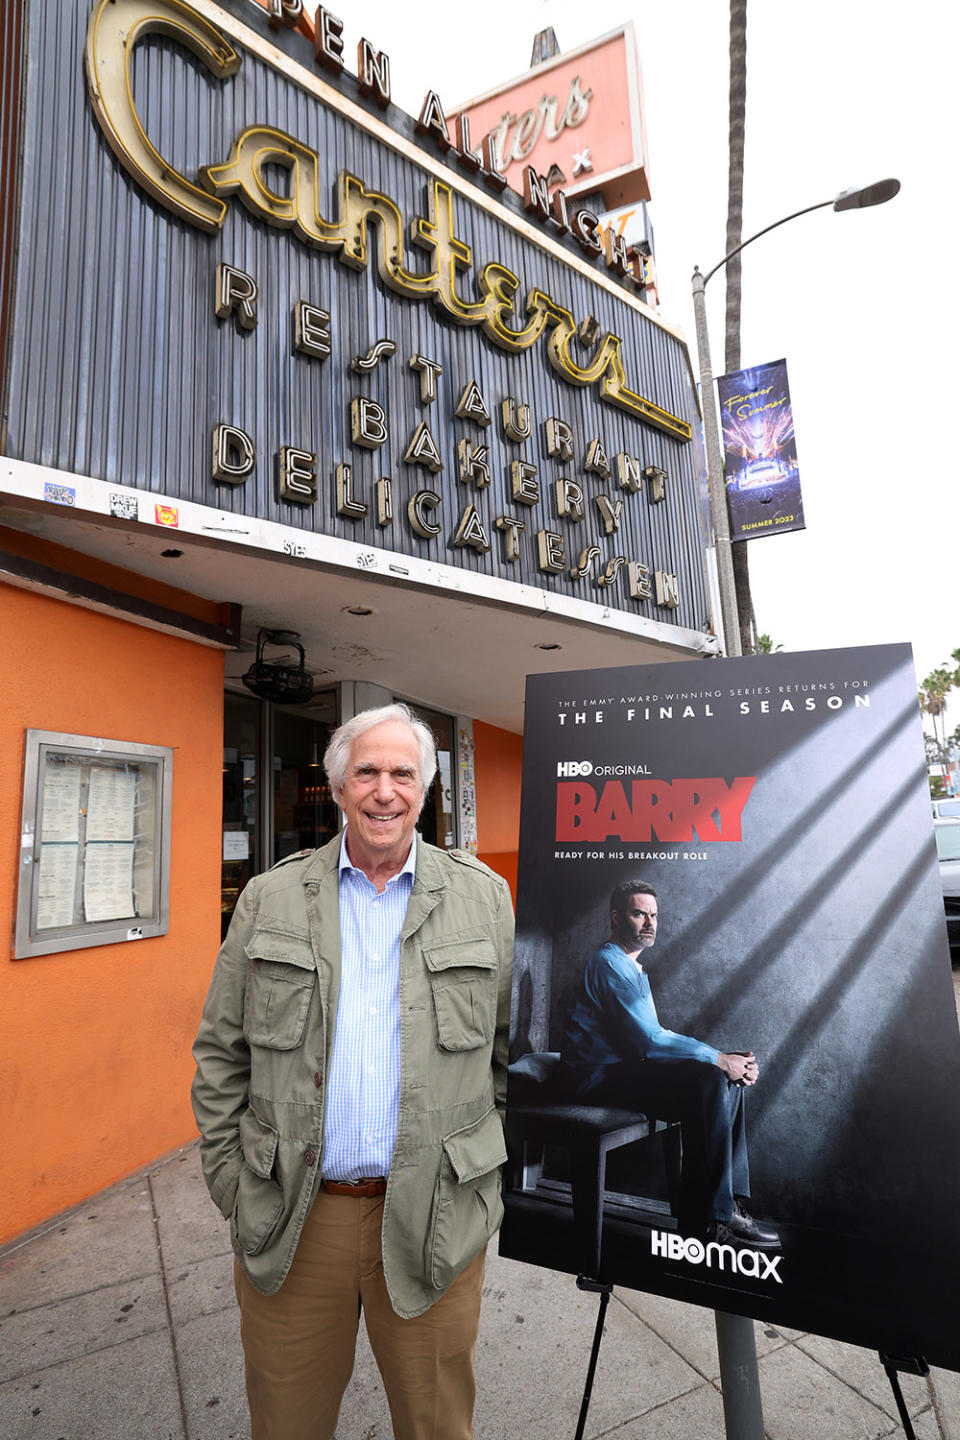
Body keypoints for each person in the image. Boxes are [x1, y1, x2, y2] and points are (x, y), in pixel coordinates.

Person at [192, 703, 514, 1440]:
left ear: (424, 790)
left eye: (403, 773)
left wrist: (483, 1183)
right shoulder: (271, 897)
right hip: (295, 1218)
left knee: (437, 1426)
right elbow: (220, 1055)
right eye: (365, 771)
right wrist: (233, 1189)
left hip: (436, 1216)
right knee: (286, 1423)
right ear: (338, 788)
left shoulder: (482, 898)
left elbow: (508, 1058)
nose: (384, 790)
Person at [561, 880, 779, 1249]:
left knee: (723, 1078)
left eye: (654, 915)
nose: (649, 923)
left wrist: (728, 1061)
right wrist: (717, 1059)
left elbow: (654, 1036)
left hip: (624, 1068)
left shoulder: (631, 966)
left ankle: (731, 1207)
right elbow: (651, 1041)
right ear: (616, 917)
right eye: (638, 913)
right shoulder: (609, 965)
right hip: (596, 1079)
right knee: (711, 1077)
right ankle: (707, 1223)